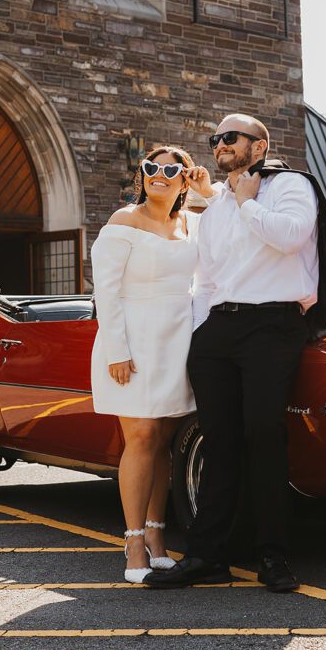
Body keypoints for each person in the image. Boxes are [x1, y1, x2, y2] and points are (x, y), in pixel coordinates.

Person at [145, 114, 318, 593]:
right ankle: (206, 556)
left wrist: (245, 203)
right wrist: (203, 332)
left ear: (259, 146)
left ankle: (274, 557)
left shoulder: (289, 187)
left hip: (272, 324)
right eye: (215, 139)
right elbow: (209, 278)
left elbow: (290, 236)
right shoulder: (217, 208)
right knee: (218, 443)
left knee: (264, 435)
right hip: (220, 329)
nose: (219, 144)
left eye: (230, 138)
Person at [90, 145, 213, 583]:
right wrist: (117, 350)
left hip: (177, 342)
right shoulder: (123, 221)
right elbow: (106, 291)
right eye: (149, 168)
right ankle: (134, 543)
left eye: (169, 169)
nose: (157, 175)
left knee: (162, 438)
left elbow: (231, 232)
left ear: (184, 177)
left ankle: (159, 540)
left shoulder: (193, 224)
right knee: (140, 436)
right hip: (134, 341)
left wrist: (206, 190)